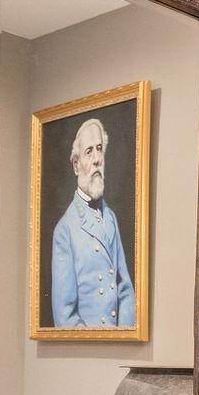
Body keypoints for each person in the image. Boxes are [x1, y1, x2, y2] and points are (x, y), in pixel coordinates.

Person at [49, 117, 136, 327]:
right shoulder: (65, 230)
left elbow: (125, 291)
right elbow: (65, 316)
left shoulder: (111, 217)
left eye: (99, 149)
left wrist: (123, 337)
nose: (97, 159)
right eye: (89, 152)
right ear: (76, 165)